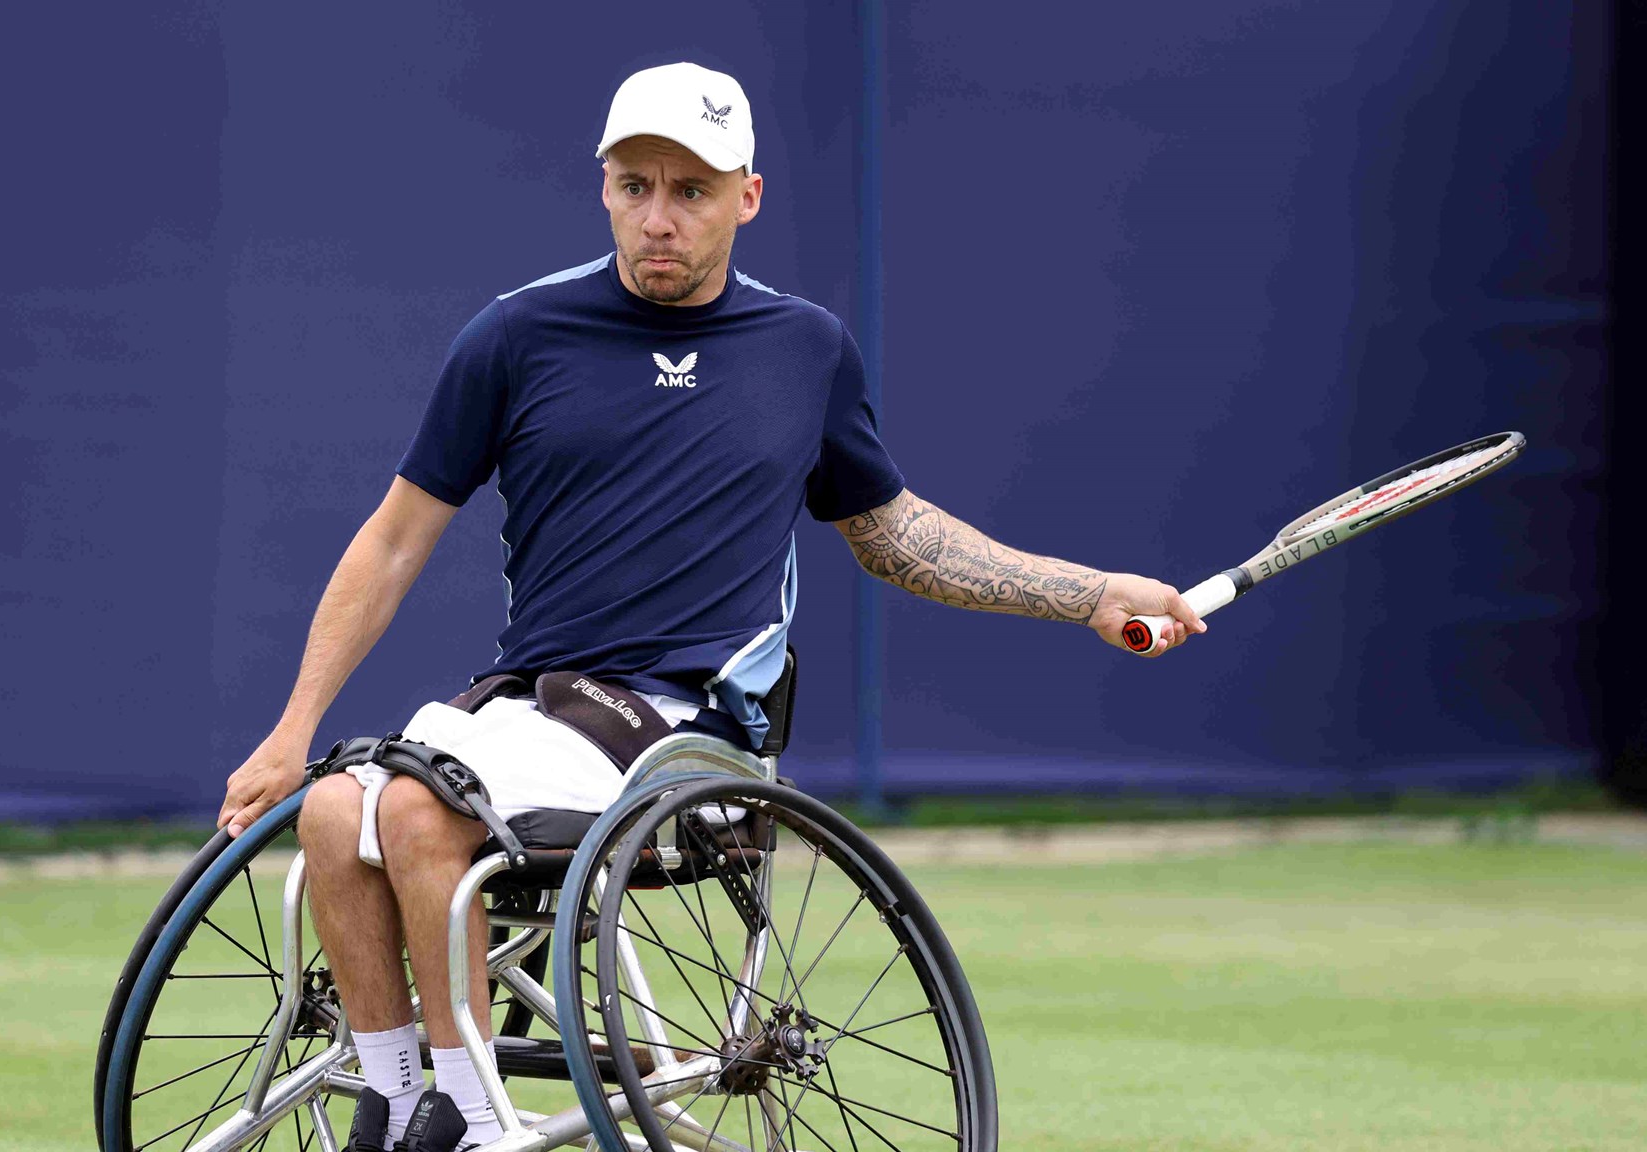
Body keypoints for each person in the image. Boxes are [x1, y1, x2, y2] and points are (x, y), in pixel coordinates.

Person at [216, 60, 1204, 1152]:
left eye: (689, 192)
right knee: (327, 808)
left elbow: (899, 541)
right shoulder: (512, 335)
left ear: (747, 196)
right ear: (601, 186)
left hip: (693, 733)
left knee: (408, 809)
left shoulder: (804, 349)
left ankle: (474, 1118)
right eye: (634, 186)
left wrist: (1091, 595)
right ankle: (402, 1098)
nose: (658, 219)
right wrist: (289, 727)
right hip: (533, 709)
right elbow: (393, 541)